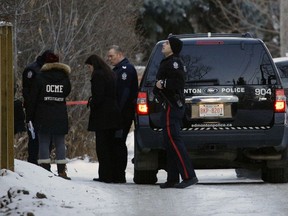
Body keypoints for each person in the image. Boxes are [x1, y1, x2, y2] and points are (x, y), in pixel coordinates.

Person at [153, 36, 198, 189]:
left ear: (172, 47)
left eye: (166, 43)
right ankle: (172, 178)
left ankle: (189, 176)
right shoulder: (168, 61)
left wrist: (162, 84)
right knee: (169, 143)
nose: (163, 45)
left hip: (172, 106)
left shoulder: (174, 62)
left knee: (175, 142)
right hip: (168, 106)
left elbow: (178, 82)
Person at [25, 52, 72, 180]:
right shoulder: (65, 77)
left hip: (43, 114)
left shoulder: (40, 77)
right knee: (60, 142)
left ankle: (45, 170)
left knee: (44, 141)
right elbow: (67, 91)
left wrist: (29, 116)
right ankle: (62, 171)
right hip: (60, 114)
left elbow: (34, 97)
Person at [85, 54, 122, 183]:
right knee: (111, 146)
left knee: (102, 146)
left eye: (89, 67)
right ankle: (113, 174)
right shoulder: (110, 73)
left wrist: (92, 103)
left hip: (102, 116)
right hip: (113, 114)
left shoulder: (97, 75)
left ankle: (105, 175)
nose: (89, 70)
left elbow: (98, 96)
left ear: (93, 65)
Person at [107, 45, 138, 183]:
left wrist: (117, 111)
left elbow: (124, 94)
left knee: (119, 142)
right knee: (116, 143)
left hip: (123, 114)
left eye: (111, 56)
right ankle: (115, 173)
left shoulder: (126, 69)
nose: (109, 59)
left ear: (119, 54)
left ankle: (119, 175)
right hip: (119, 113)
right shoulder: (118, 69)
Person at [22, 50, 54, 165]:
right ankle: (33, 163)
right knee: (34, 139)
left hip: (47, 109)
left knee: (47, 139)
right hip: (34, 109)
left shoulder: (49, 69)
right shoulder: (32, 70)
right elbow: (26, 90)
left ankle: (44, 164)